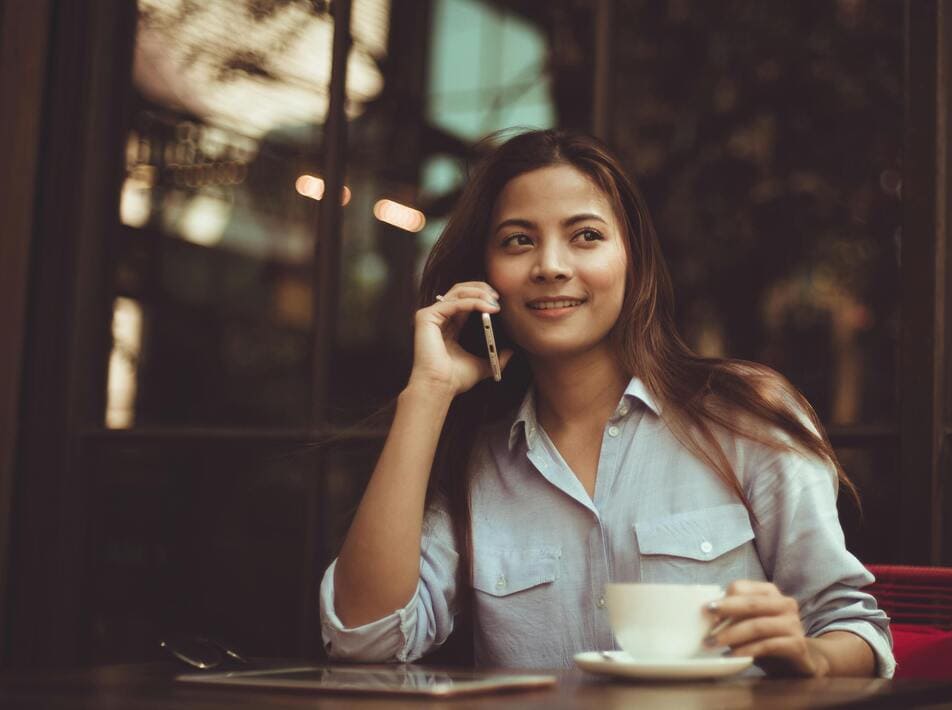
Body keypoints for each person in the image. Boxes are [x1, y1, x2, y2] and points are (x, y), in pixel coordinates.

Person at [319, 129, 894, 678]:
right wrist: (426, 395)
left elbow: (854, 628)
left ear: (632, 260)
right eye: (518, 240)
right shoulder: (476, 463)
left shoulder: (742, 417)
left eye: (586, 236)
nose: (549, 265)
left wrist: (810, 657)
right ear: (486, 277)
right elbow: (363, 638)